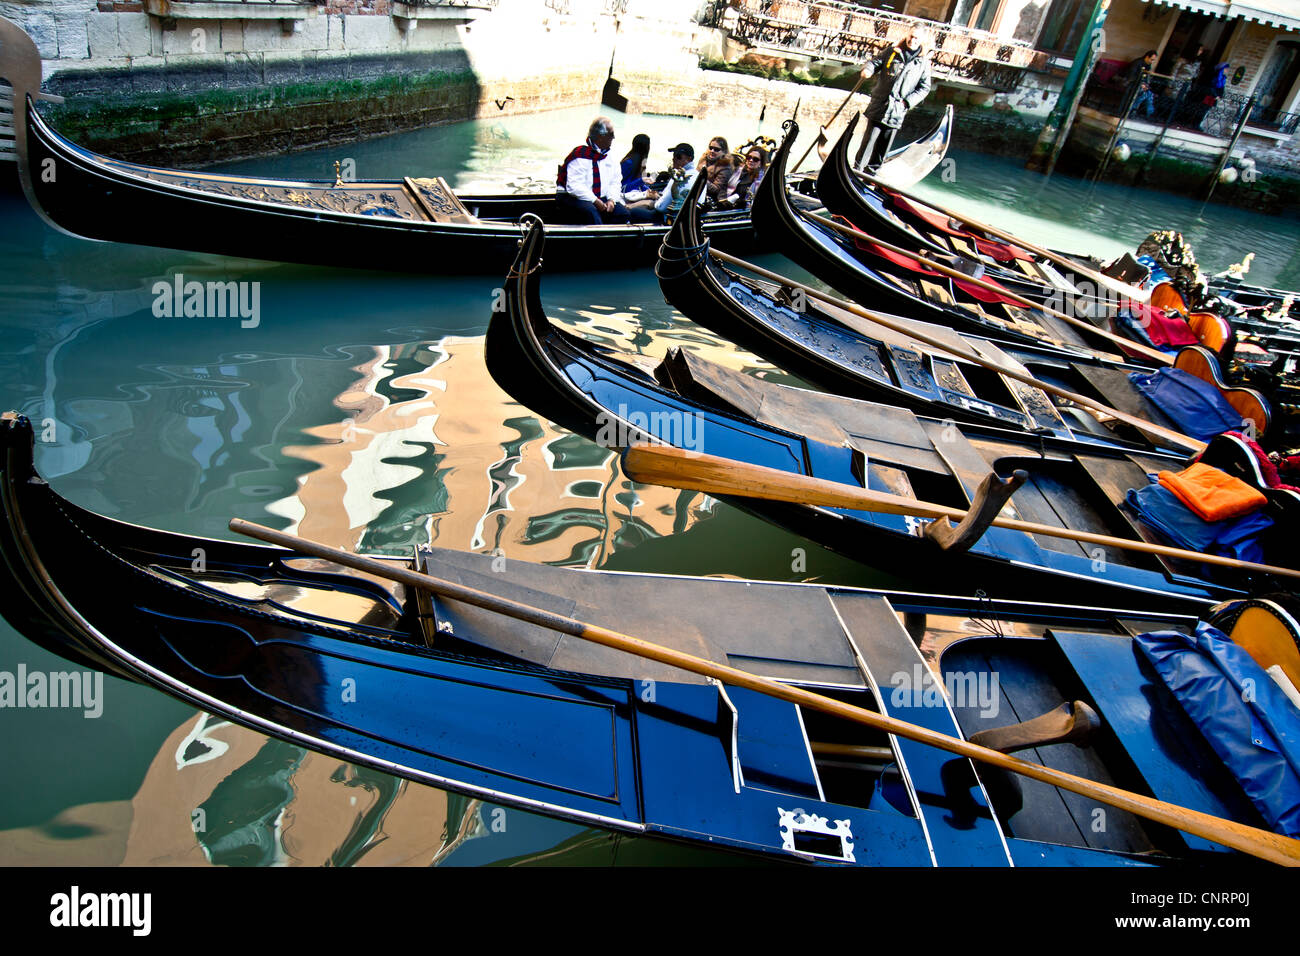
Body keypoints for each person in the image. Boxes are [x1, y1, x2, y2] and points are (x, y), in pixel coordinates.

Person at [853, 26, 933, 173]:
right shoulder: (892, 52)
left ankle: (871, 175)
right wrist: (867, 70)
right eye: (911, 36)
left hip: (898, 110)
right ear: (907, 35)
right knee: (868, 141)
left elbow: (924, 88)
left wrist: (906, 103)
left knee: (883, 146)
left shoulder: (923, 63)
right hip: (879, 105)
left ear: (921, 41)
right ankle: (857, 171)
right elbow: (874, 63)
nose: (912, 40)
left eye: (916, 38)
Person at [556, 116, 635, 225]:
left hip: (598, 197)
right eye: (611, 134)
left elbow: (615, 181)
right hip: (572, 196)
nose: (614, 137)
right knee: (591, 213)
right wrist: (595, 200)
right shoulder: (579, 155)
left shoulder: (611, 156)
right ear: (600, 137)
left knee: (623, 214)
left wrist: (611, 200)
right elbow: (575, 186)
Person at [654, 142, 699, 224]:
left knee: (635, 211)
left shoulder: (678, 177)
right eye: (674, 155)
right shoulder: (697, 175)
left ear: (689, 159)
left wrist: (653, 203)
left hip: (671, 219)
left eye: (678, 156)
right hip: (690, 217)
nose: (674, 159)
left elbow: (661, 207)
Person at [1121, 50, 1157, 119]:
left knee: (1149, 94)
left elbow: (1146, 77)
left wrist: (1145, 85)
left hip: (1139, 85)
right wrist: (1141, 84)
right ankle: (1131, 110)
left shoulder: (1148, 66)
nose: (1152, 62)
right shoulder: (1137, 63)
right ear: (1147, 57)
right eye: (1151, 59)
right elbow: (1131, 76)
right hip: (1130, 83)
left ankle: (1135, 110)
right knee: (1144, 95)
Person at [699, 136, 734, 203]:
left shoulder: (726, 166)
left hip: (715, 201)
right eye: (711, 148)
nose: (712, 151)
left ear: (724, 151)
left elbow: (716, 189)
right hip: (700, 195)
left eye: (716, 149)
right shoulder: (703, 159)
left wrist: (701, 179)